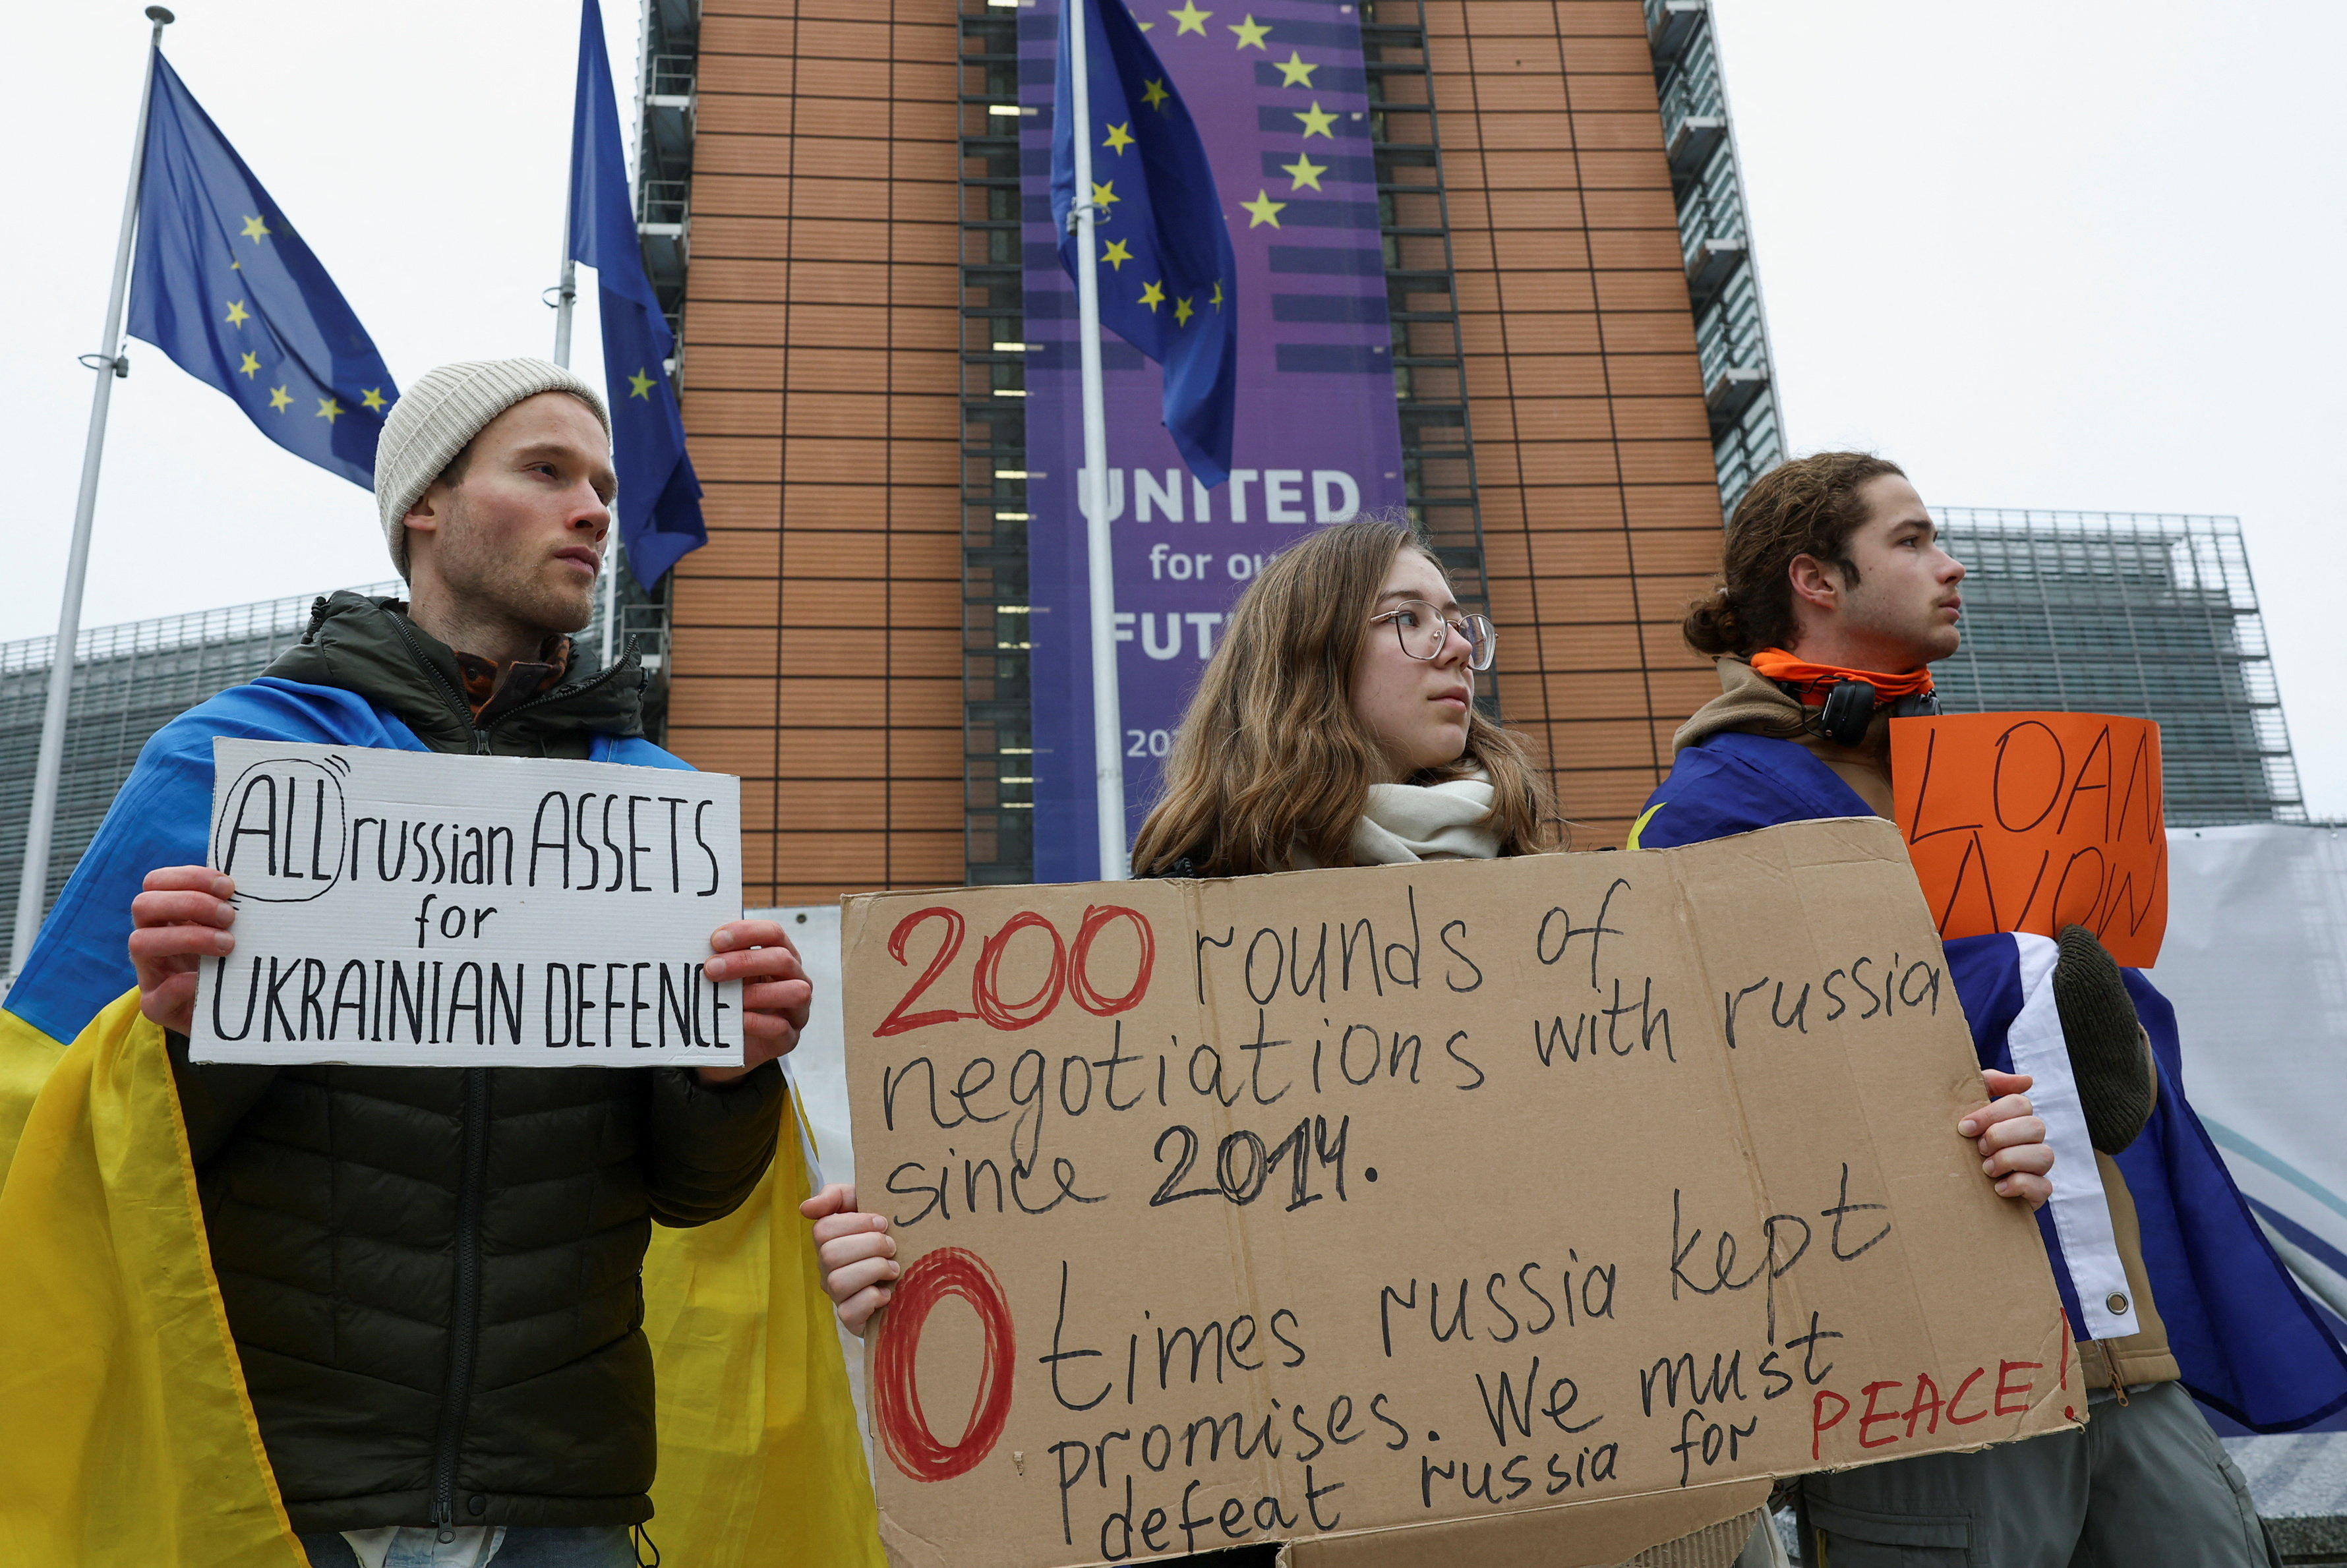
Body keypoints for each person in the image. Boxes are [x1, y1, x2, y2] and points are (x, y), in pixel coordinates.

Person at [802, 519, 2055, 1568]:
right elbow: (1091, 1258)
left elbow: (1768, 1155)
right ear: (1302, 657)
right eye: (1407, 618)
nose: (1454, 644)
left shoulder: (1594, 931)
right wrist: (902, 1264)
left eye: (1460, 620)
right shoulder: (1172, 953)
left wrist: (1961, 1151)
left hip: (1663, 1532)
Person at [5, 360, 816, 1568]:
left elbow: (691, 1198)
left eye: (600, 482)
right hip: (283, 1490)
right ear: (422, 509)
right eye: (546, 472)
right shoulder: (227, 760)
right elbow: (57, 1148)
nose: (595, 508)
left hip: (567, 1496)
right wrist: (172, 1038)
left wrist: (731, 1077)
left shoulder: (655, 811)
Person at [1635, 451, 2347, 1565]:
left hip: (2118, 1336)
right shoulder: (1712, 805)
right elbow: (1721, 1098)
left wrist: (2089, 1007)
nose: (1952, 566)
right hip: (1928, 1373)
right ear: (1816, 580)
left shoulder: (1974, 778)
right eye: (1913, 541)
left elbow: (2098, 1063)